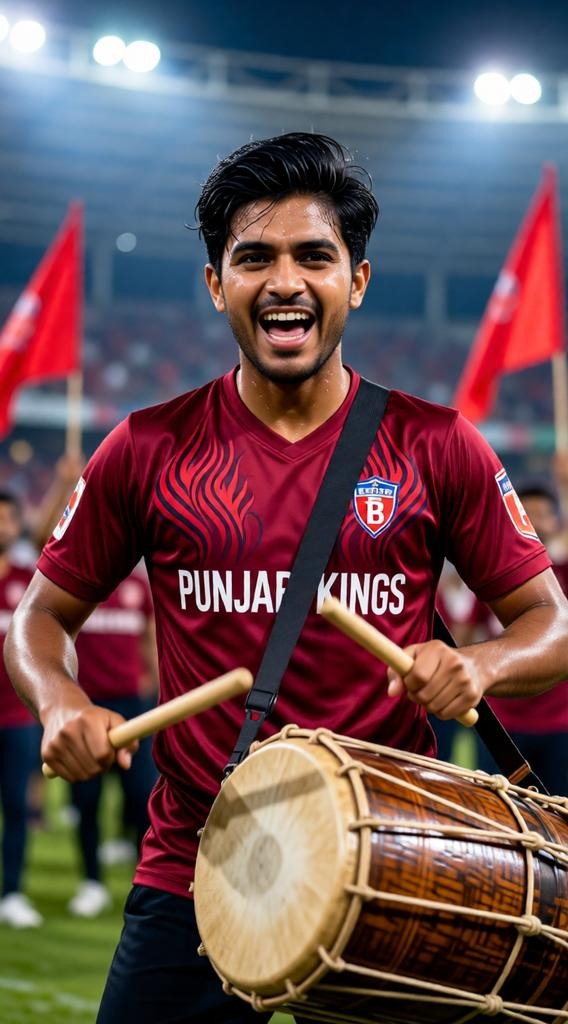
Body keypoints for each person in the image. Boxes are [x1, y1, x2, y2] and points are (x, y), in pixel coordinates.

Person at [4, 132, 568, 1022]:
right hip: (201, 861)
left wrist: (483, 665)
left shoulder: (435, 442)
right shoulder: (146, 447)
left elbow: (553, 621)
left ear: (359, 280)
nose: (285, 282)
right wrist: (61, 703)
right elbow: (37, 619)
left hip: (396, 861)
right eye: (253, 258)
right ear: (216, 283)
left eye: (315, 256)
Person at [476, 479, 568, 795]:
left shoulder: (564, 573)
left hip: (560, 724)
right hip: (502, 724)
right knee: (499, 819)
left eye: (542, 514)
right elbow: (466, 632)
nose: (533, 522)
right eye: (525, 514)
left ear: (557, 521)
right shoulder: (491, 580)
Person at [0, 491, 42, 928]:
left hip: (16, 720)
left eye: (7, 519)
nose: (1, 526)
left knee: (17, 809)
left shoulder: (31, 581)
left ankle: (11, 893)